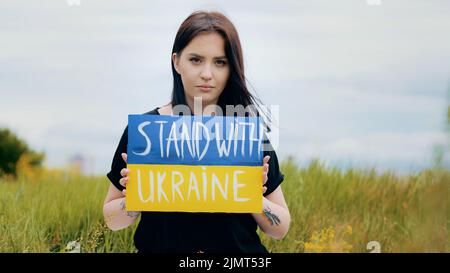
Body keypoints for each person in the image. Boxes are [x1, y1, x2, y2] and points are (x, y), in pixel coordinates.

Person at [103, 10, 290, 253]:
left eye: (220, 62)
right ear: (176, 62)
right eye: (195, 59)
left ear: (231, 68)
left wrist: (251, 194)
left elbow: (280, 228)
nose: (207, 74)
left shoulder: (247, 135)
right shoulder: (146, 132)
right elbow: (112, 220)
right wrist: (137, 196)